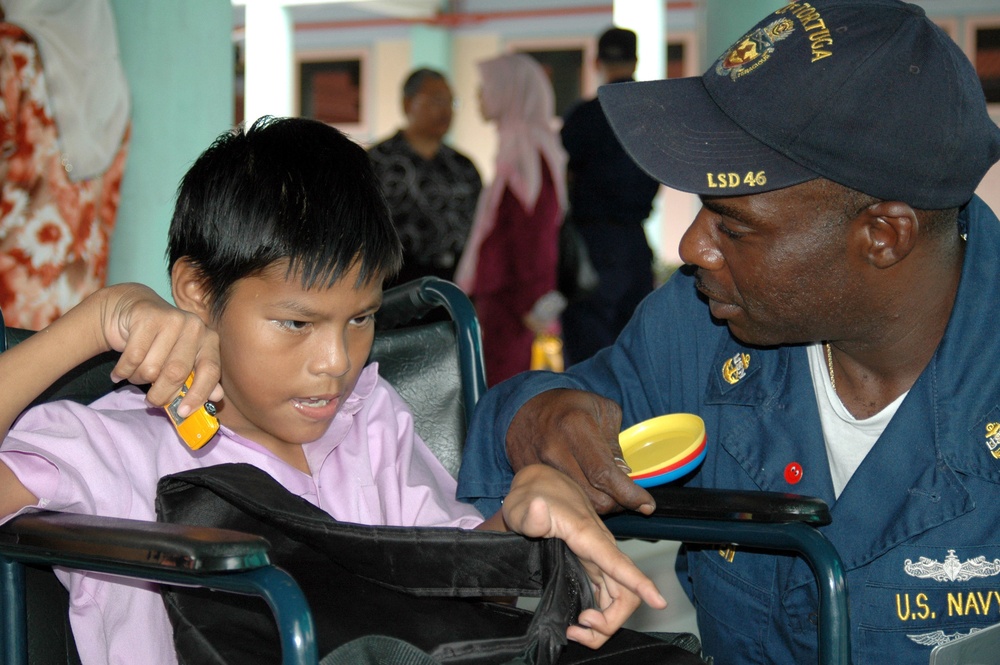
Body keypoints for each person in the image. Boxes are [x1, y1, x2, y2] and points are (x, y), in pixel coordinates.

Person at [0, 116, 665, 664]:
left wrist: (523, 510)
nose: (335, 362)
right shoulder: (117, 446)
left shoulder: (368, 420)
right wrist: (94, 321)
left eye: (361, 318)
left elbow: (439, 595)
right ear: (198, 293)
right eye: (296, 323)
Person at [455, 1, 1000, 663]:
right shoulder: (702, 326)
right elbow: (537, 410)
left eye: (732, 224)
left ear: (882, 235)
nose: (690, 246)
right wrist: (541, 420)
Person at [0, 0, 131, 330]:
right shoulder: (108, 82)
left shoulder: (12, 51)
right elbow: (108, 200)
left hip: (11, 292)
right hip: (79, 301)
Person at [455, 53, 567, 386]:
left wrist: (530, 305)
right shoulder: (520, 146)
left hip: (513, 305)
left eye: (487, 86)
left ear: (512, 90)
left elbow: (534, 234)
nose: (479, 96)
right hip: (506, 301)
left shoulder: (526, 152)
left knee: (501, 395)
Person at [559, 27, 661, 367]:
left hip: (593, 245)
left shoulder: (584, 117)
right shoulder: (653, 114)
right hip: (636, 244)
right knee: (635, 352)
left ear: (596, 61)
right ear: (636, 60)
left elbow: (566, 176)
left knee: (590, 357)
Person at [368, 68, 482, 288]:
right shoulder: (377, 162)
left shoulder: (463, 166)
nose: (446, 110)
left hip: (455, 281)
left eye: (451, 102)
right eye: (437, 101)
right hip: (394, 283)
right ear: (407, 104)